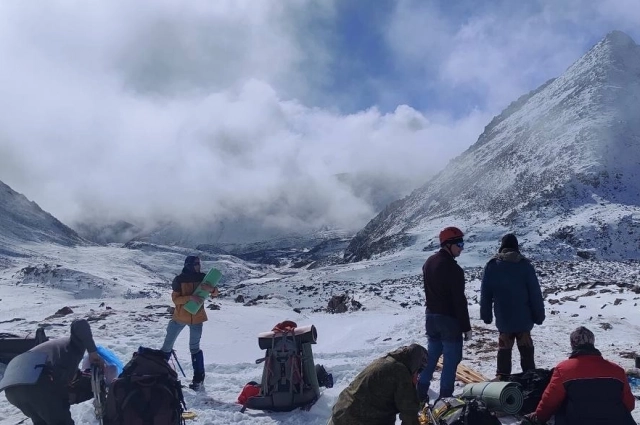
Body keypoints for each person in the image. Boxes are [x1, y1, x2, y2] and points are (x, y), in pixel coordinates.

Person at [524, 326, 636, 425]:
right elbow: (629, 405)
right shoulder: (617, 370)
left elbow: (550, 402)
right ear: (592, 343)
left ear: (573, 344)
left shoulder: (564, 369)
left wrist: (539, 417)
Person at [1, 319, 104, 425]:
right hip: (36, 381)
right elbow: (80, 324)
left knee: (43, 420)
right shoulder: (74, 344)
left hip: (11, 388)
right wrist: (93, 352)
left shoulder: (57, 351)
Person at [417, 226, 471, 402]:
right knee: (451, 360)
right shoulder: (454, 270)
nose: (462, 247)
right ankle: (445, 399)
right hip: (448, 321)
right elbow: (459, 301)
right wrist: (466, 327)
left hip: (431, 318)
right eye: (460, 243)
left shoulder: (429, 263)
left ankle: (419, 392)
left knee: (432, 356)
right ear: (448, 244)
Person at [480, 233, 545, 380]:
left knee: (504, 354)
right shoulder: (525, 266)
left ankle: (503, 384)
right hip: (524, 321)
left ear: (502, 247)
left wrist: (486, 315)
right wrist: (539, 316)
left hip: (504, 320)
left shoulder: (492, 266)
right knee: (527, 357)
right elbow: (535, 294)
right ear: (516, 248)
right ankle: (530, 382)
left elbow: (486, 294)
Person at [328, 344, 427, 425]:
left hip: (340, 412)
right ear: (416, 365)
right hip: (356, 419)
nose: (418, 376)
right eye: (419, 371)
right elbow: (409, 413)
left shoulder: (386, 361)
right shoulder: (401, 373)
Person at [160, 255, 219, 390]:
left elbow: (215, 294)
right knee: (167, 347)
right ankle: (161, 375)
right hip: (180, 317)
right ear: (189, 265)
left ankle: (198, 380)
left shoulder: (203, 278)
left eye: (199, 263)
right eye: (196, 264)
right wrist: (190, 298)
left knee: (194, 348)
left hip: (196, 318)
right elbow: (176, 300)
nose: (199, 266)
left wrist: (212, 290)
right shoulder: (179, 280)